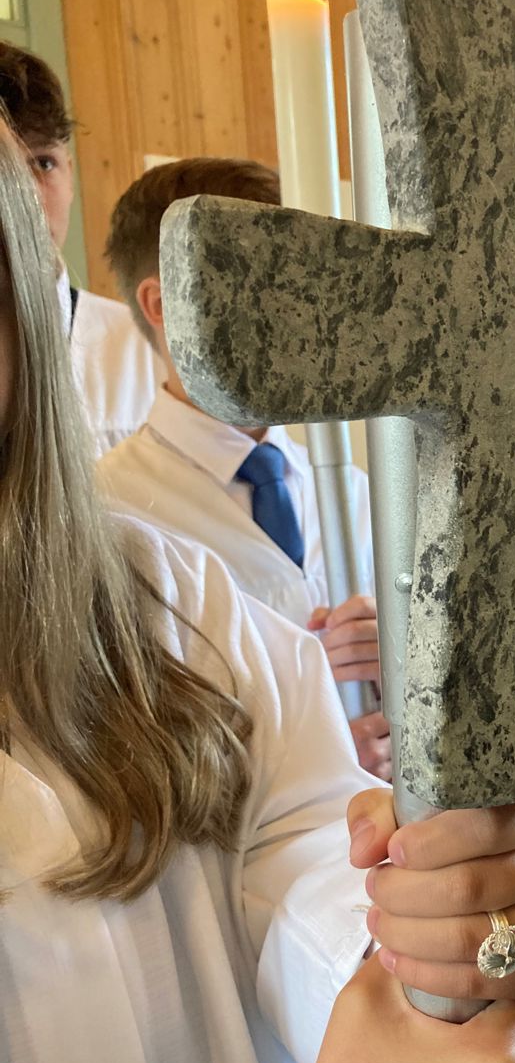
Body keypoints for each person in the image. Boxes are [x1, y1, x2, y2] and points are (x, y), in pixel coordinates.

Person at [0, 119, 515, 1063]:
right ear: (165, 305)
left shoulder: (186, 579)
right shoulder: (136, 495)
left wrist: (426, 946)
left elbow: (294, 835)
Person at [98, 158, 390, 780]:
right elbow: (118, 758)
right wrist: (315, 751)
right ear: (164, 302)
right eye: (264, 281)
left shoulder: (352, 492)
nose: (299, 315)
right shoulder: (103, 515)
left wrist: (398, 664)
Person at [0, 39, 158, 455]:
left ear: (70, 175)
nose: (29, 197)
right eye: (4, 172)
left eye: (43, 164)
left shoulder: (142, 354)